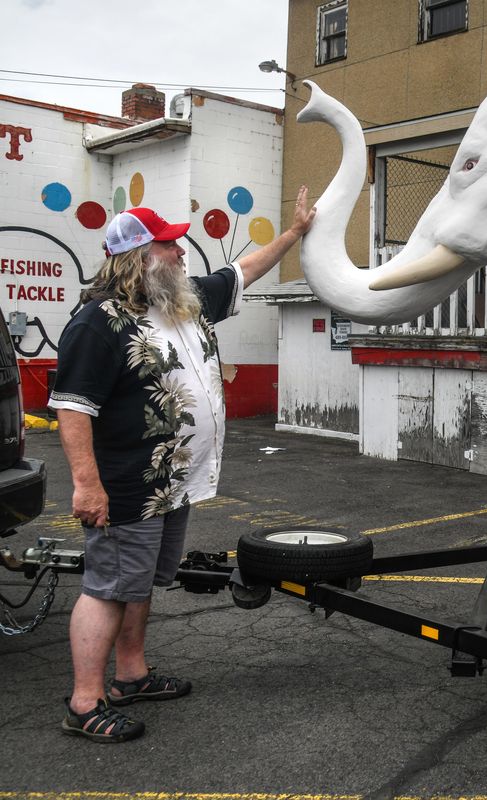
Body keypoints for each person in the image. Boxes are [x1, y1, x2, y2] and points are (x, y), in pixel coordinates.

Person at [49, 187, 316, 742]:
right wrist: (85, 485)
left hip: (172, 484)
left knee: (140, 582)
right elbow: (73, 408)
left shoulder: (181, 299)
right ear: (140, 256)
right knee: (109, 587)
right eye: (169, 245)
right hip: (127, 487)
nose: (181, 251)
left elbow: (240, 271)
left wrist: (294, 233)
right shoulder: (98, 322)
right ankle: (84, 700)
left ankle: (131, 675)